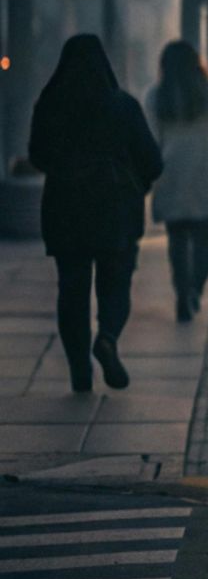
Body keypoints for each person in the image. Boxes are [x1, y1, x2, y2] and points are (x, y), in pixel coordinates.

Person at [28, 34, 163, 392]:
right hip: (115, 210)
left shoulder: (50, 105)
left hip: (65, 211)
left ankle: (79, 370)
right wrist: (136, 184)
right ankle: (107, 337)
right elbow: (152, 160)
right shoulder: (124, 106)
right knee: (115, 282)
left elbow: (37, 155)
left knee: (71, 289)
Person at [146, 41, 208, 322]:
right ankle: (197, 287)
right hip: (207, 172)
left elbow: (150, 137)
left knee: (177, 239)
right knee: (206, 239)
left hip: (172, 173)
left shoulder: (155, 97)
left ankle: (182, 292)